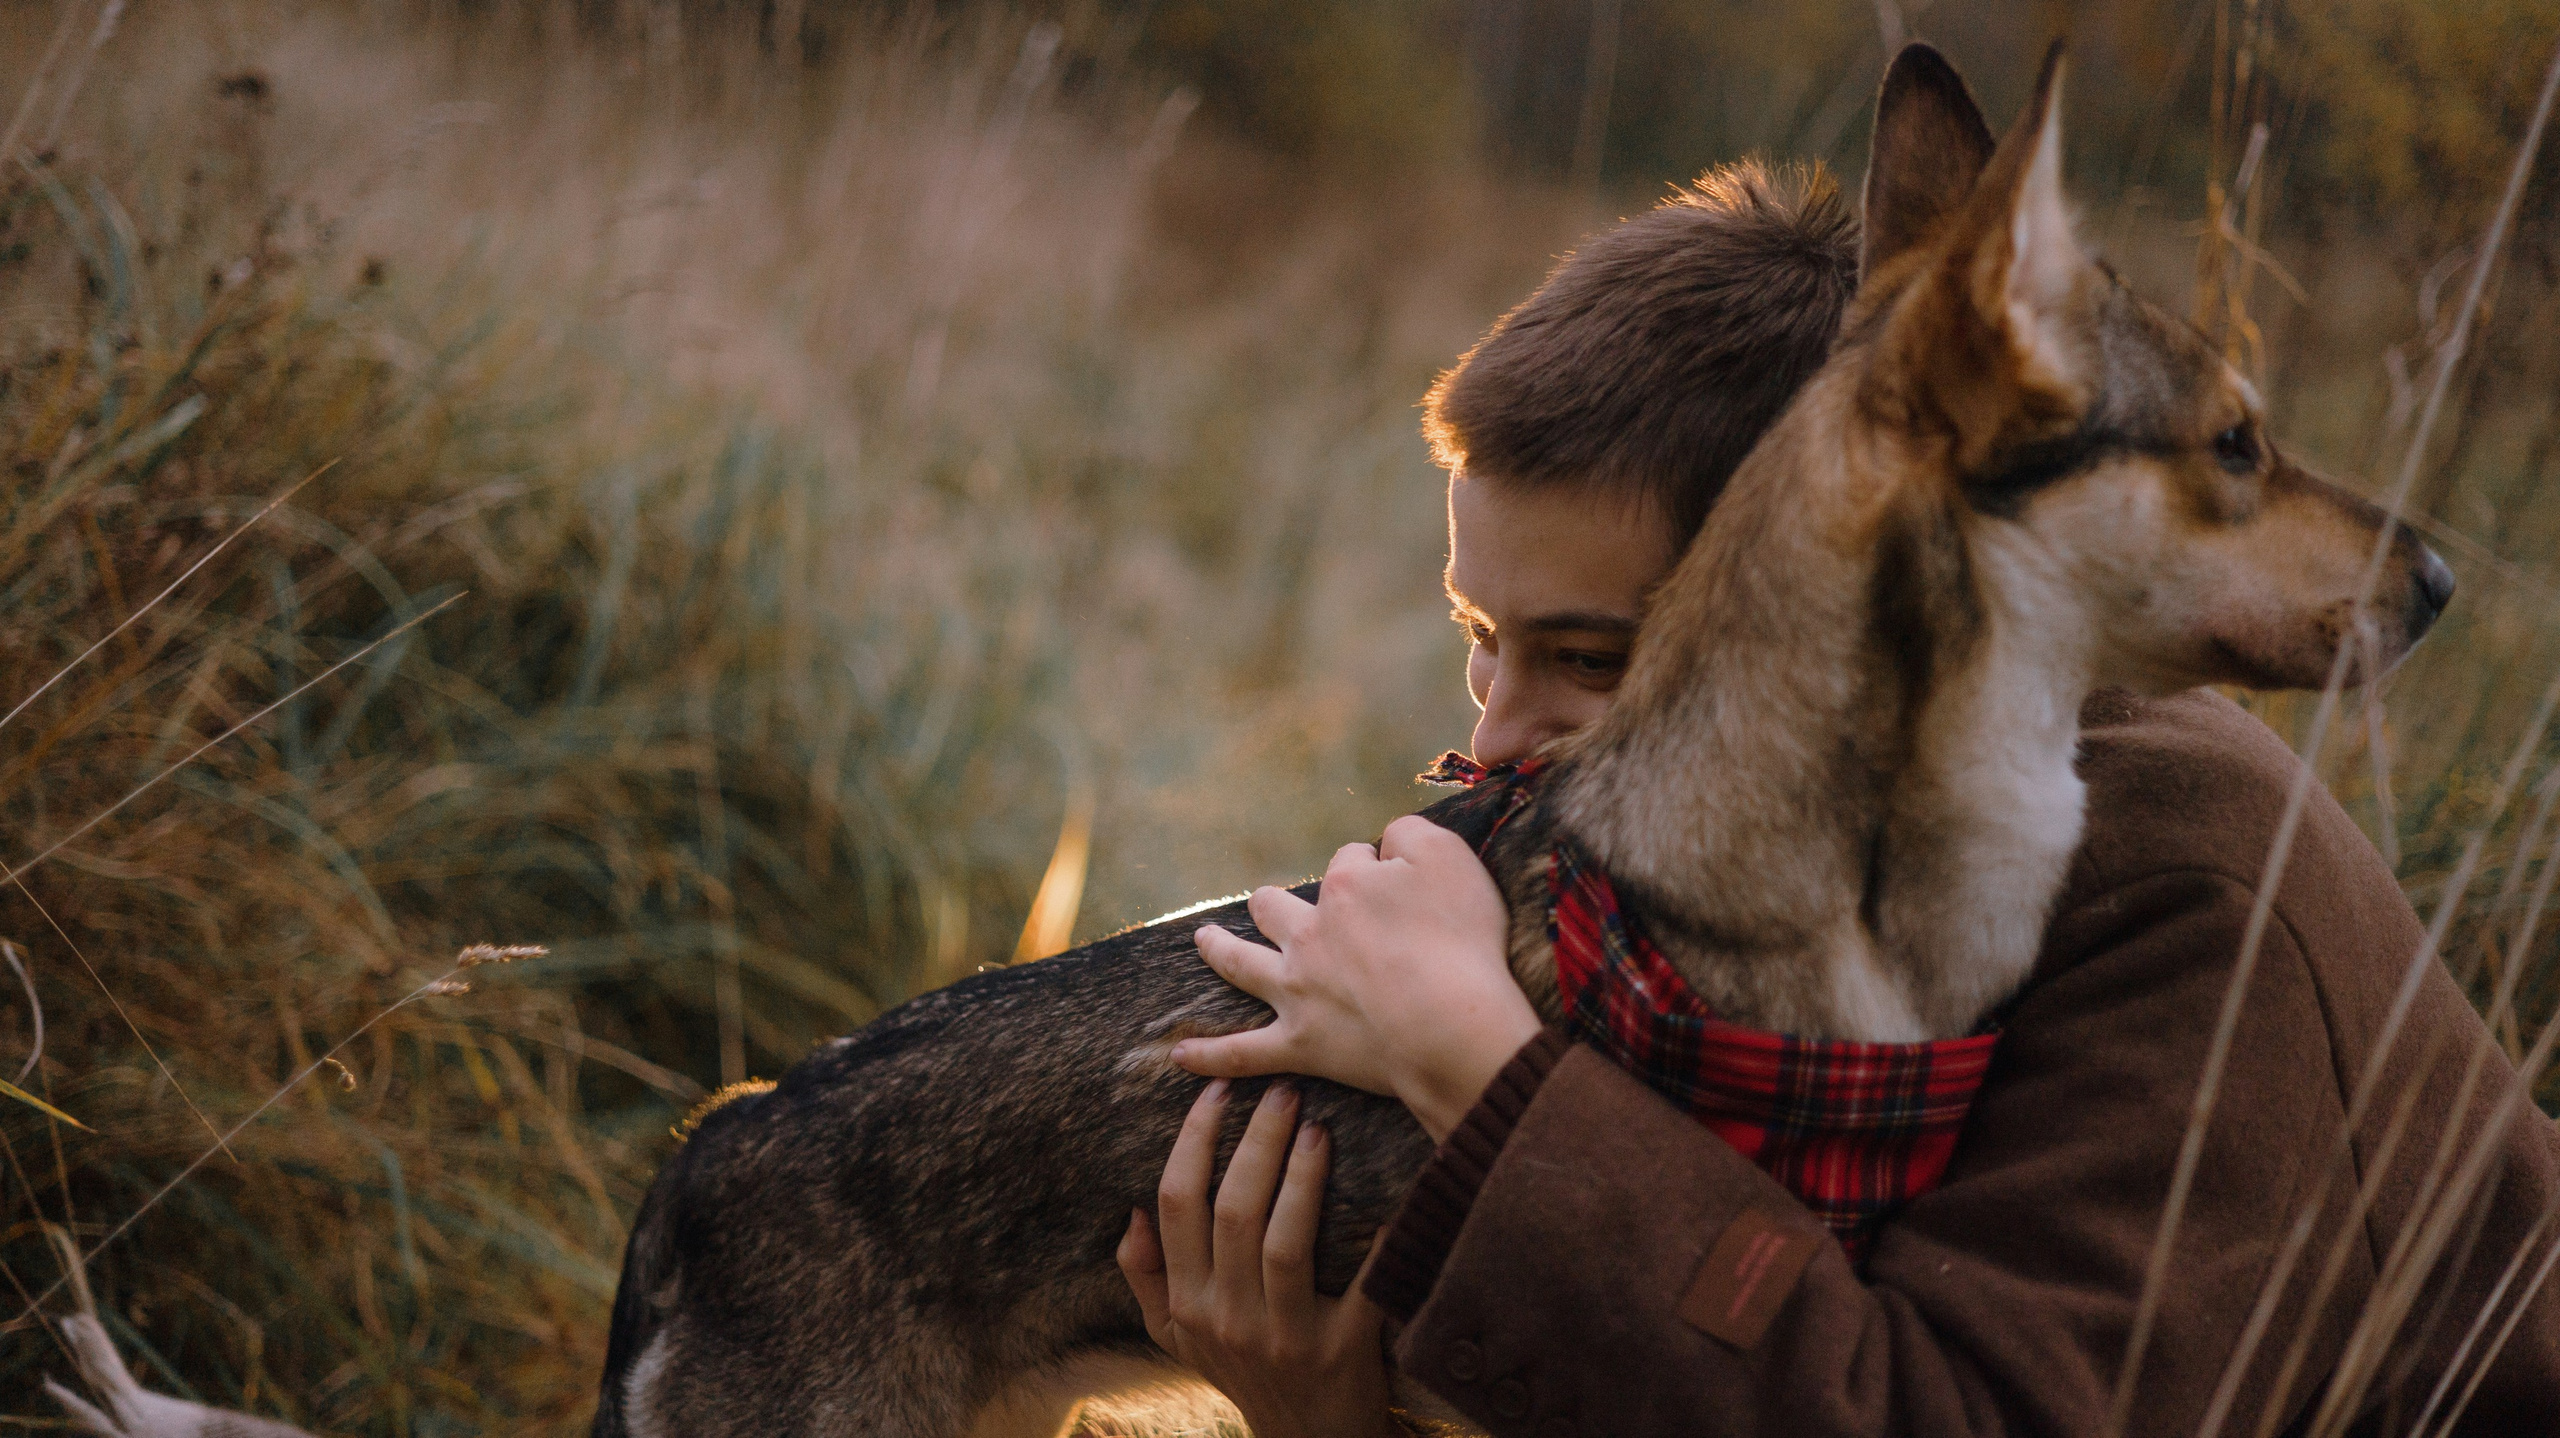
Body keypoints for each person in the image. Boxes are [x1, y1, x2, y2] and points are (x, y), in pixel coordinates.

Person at [1114, 158, 2560, 1436]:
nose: (1488, 744)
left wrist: (1482, 1070)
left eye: (1590, 657)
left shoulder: (2184, 887)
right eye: (1477, 636)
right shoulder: (1767, 884)